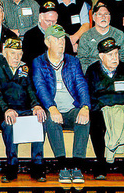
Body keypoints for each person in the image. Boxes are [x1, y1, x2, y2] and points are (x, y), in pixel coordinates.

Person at [31, 25, 91, 184]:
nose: (61, 42)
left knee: (84, 118)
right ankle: (63, 165)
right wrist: (52, 108)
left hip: (71, 108)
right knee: (50, 119)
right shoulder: (38, 62)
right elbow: (40, 87)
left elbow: (81, 85)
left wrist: (85, 107)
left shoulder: (73, 61)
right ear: (47, 42)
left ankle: (77, 165)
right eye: (56, 39)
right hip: (53, 108)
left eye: (63, 39)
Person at [84, 37, 124, 180]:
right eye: (110, 55)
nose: (115, 58)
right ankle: (101, 166)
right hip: (101, 109)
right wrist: (106, 106)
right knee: (95, 122)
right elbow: (89, 96)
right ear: (101, 56)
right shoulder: (92, 71)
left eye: (116, 54)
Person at [0, 38, 46, 182]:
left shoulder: (24, 68)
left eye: (19, 54)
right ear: (5, 53)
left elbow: (30, 89)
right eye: (13, 53)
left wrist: (36, 105)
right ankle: (12, 167)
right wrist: (6, 109)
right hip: (5, 110)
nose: (17, 58)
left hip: (24, 109)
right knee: (10, 123)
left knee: (39, 119)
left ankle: (38, 166)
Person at [78, 2, 124, 70]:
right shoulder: (86, 37)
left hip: (116, 73)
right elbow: (82, 61)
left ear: (110, 17)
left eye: (106, 14)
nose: (103, 17)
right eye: (99, 14)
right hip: (94, 74)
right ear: (93, 17)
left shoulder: (119, 34)